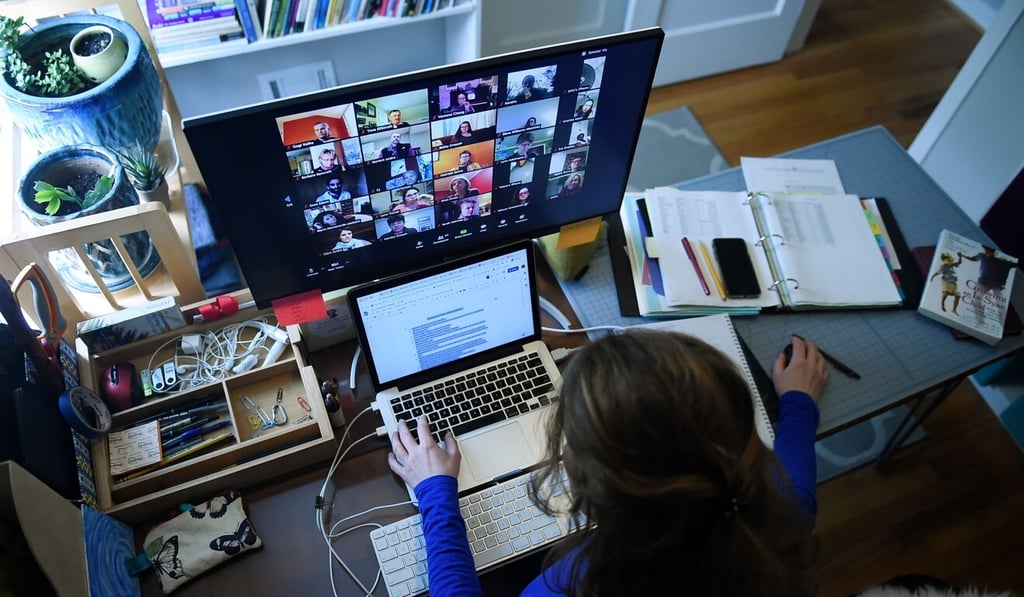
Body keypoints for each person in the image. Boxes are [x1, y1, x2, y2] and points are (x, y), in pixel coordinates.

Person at [387, 332, 827, 596]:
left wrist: (435, 492)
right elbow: (799, 491)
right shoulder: (773, 515)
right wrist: (798, 402)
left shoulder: (579, 582)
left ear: (589, 487)